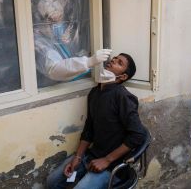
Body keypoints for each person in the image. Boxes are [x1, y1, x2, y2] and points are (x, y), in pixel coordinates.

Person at [47, 53, 147, 189]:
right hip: (91, 155)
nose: (112, 61)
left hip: (113, 166)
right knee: (52, 181)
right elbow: (89, 129)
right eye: (114, 58)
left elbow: (138, 135)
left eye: (119, 63)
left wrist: (107, 160)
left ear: (122, 77)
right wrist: (77, 158)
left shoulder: (122, 97)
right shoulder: (95, 92)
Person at [33, 0, 112, 87]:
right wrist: (88, 62)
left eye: (56, 8)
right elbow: (54, 69)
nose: (55, 16)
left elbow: (74, 49)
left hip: (83, 81)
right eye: (48, 16)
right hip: (59, 88)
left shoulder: (69, 25)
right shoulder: (39, 39)